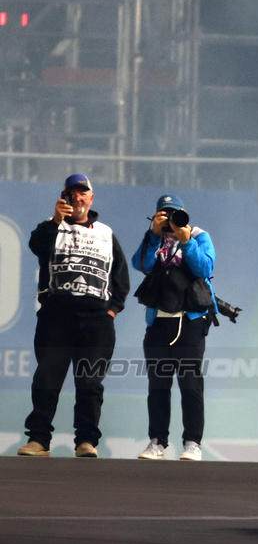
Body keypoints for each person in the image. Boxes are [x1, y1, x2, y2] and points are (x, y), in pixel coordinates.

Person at [18, 174, 130, 458]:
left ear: (91, 198)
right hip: (57, 317)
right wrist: (55, 220)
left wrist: (111, 311)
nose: (77, 198)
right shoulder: (51, 227)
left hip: (97, 321)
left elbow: (121, 279)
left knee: (90, 383)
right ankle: (39, 440)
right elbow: (37, 247)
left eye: (83, 193)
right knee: (46, 378)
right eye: (72, 193)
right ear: (64, 197)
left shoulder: (106, 233)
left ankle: (86, 441)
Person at [131, 194, 216, 461]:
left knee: (190, 385)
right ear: (156, 216)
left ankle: (192, 443)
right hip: (159, 322)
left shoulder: (199, 235)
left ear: (184, 213)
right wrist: (153, 234)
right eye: (164, 214)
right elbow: (141, 265)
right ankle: (157, 442)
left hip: (189, 321)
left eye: (174, 213)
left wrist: (185, 239)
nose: (170, 219)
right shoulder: (154, 238)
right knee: (158, 386)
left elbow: (205, 267)